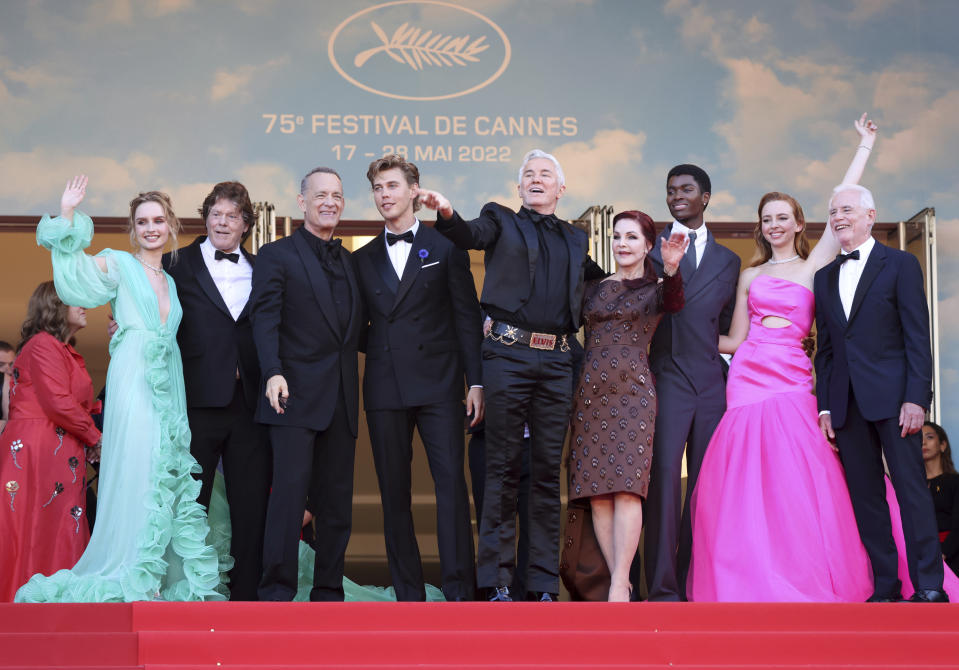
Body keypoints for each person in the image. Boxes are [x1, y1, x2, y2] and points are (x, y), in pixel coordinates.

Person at [688, 115, 884, 601]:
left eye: (782, 217)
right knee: (745, 483)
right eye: (766, 218)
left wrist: (865, 146)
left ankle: (803, 573)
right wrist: (680, 330)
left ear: (799, 224)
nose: (773, 224)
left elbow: (843, 195)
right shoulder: (751, 276)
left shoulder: (815, 263)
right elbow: (733, 339)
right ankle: (750, 577)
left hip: (793, 377)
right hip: (748, 377)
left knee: (799, 477)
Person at [16, 176, 226, 602]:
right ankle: (128, 568)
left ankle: (156, 573)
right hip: (134, 381)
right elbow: (73, 277)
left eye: (157, 220)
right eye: (142, 222)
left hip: (170, 384)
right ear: (134, 229)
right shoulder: (118, 263)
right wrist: (69, 213)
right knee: (137, 467)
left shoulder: (170, 278)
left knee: (162, 470)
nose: (151, 228)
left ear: (170, 224)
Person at [420, 149, 606, 601]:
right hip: (508, 355)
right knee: (501, 469)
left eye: (545, 174)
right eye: (528, 174)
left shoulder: (576, 239)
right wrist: (446, 212)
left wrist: (660, 278)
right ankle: (498, 582)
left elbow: (605, 288)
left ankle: (542, 586)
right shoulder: (500, 219)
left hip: (558, 361)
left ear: (561, 189)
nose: (536, 179)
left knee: (545, 475)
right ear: (519, 187)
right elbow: (468, 234)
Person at [353, 155, 483, 602]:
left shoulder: (445, 248)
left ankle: (460, 592)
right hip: (385, 386)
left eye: (392, 186)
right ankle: (408, 594)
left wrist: (477, 382)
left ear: (414, 191)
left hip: (441, 384)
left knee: (451, 488)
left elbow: (468, 320)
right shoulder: (362, 258)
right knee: (394, 493)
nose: (384, 195)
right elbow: (354, 328)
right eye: (377, 188)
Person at [815, 174, 947, 601]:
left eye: (846, 209)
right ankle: (886, 587)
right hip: (847, 407)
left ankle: (929, 586)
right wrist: (826, 408)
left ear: (871, 216)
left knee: (911, 493)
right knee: (867, 501)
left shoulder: (902, 264)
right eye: (833, 211)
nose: (838, 217)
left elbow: (916, 337)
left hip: (895, 401)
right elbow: (828, 351)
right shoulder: (824, 277)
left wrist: (916, 398)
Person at [251, 167, 362, 602]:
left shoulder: (352, 261)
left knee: (336, 503)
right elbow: (265, 319)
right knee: (288, 499)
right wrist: (272, 371)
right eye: (321, 195)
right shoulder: (277, 254)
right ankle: (276, 593)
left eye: (337, 195)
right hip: (291, 394)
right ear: (302, 202)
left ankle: (328, 591)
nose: (329, 202)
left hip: (342, 396)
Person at [569, 211, 686, 601]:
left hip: (633, 395)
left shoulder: (656, 288)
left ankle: (620, 582)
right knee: (597, 493)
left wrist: (671, 268)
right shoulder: (593, 286)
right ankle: (620, 579)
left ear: (648, 245)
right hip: (589, 396)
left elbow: (674, 301)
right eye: (617, 236)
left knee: (627, 490)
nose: (622, 243)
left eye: (632, 237)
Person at [162, 181, 270, 600]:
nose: (222, 222)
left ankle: (246, 598)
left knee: (251, 506)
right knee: (192, 504)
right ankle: (189, 593)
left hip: (250, 404)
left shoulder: (264, 268)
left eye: (232, 216)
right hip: (197, 401)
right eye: (215, 214)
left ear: (246, 225)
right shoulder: (176, 263)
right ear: (205, 218)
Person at [641, 164, 740, 601]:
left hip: (711, 387)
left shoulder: (729, 261)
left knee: (706, 489)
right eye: (670, 190)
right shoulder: (650, 251)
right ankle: (663, 589)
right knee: (663, 484)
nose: (677, 195)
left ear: (706, 197)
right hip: (665, 378)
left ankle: (697, 584)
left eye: (686, 189)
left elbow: (728, 328)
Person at [0, 283, 100, 601]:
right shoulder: (43, 345)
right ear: (55, 307)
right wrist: (96, 439)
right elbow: (58, 402)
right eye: (76, 301)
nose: (84, 306)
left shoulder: (65, 350)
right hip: (38, 448)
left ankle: (55, 604)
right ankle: (30, 604)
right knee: (37, 526)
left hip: (59, 446)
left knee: (55, 525)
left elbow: (80, 404)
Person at [922, 421, 959, 577]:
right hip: (921, 556)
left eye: (929, 437)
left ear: (942, 445)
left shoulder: (955, 482)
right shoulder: (911, 487)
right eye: (917, 439)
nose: (923, 442)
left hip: (952, 556)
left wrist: (943, 553)